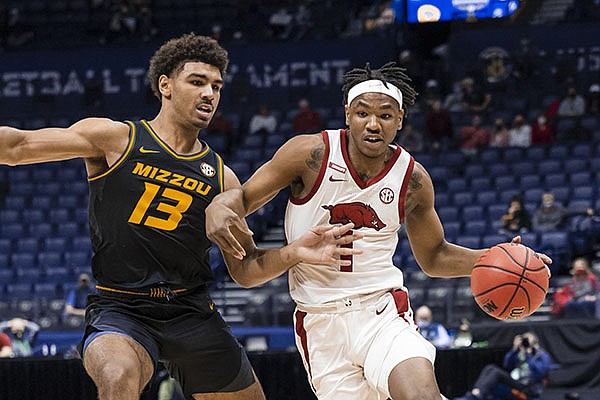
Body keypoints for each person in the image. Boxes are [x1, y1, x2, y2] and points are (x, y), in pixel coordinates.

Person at [0, 33, 362, 400]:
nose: (209, 93)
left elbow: (246, 269)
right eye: (197, 82)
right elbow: (17, 147)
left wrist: (294, 252)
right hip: (121, 307)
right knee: (118, 376)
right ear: (165, 85)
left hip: (190, 311)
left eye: (217, 86)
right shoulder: (115, 139)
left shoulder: (223, 179)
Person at [206, 62, 552, 400]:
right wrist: (222, 206)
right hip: (321, 322)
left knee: (421, 394)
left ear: (399, 120)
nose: (373, 124)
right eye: (362, 114)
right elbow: (244, 199)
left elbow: (434, 256)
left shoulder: (413, 179)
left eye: (385, 115)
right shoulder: (309, 153)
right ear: (347, 114)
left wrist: (497, 260)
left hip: (382, 311)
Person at [454, 332, 555, 400]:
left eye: (528, 342)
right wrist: (515, 349)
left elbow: (539, 373)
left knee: (496, 373)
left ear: (535, 343)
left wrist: (529, 355)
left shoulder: (542, 355)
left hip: (528, 386)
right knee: (490, 368)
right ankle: (475, 393)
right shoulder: (520, 352)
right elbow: (506, 365)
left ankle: (473, 396)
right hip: (515, 381)